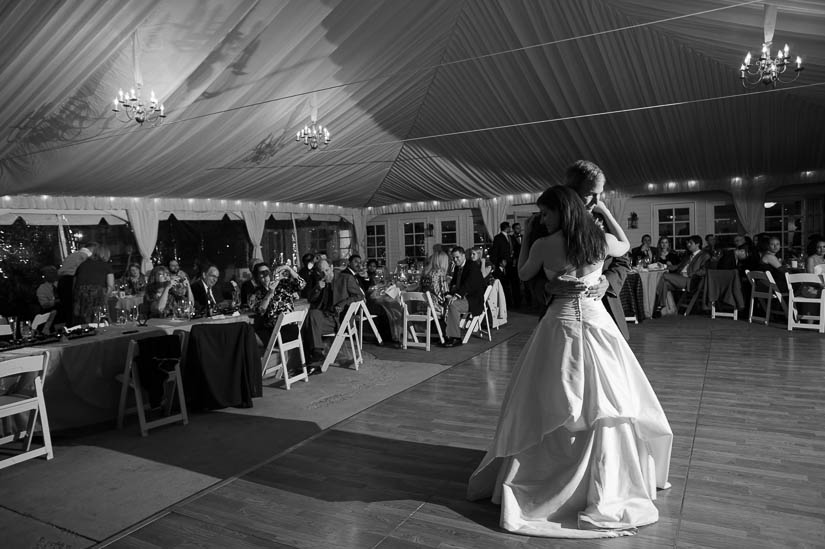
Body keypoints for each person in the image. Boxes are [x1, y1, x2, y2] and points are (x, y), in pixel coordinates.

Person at [467, 185, 672, 538]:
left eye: (546, 213)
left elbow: (523, 274)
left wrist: (530, 237)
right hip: (597, 324)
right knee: (606, 400)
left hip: (559, 326)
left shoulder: (544, 245)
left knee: (548, 397)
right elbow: (624, 245)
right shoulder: (599, 242)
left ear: (561, 212)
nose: (542, 219)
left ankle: (545, 477)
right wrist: (606, 213)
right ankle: (609, 479)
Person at [545, 160, 631, 340]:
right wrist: (548, 287)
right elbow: (529, 270)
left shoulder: (604, 218)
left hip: (604, 312)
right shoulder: (548, 220)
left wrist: (608, 281)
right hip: (560, 320)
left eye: (600, 194)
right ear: (571, 192)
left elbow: (623, 260)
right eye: (590, 194)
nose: (597, 201)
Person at [248, 262, 305, 345]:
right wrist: (270, 293)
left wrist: (288, 268)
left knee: (251, 339)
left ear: (271, 273)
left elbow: (302, 284)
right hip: (272, 330)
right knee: (248, 335)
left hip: (287, 329)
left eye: (266, 272)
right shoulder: (257, 292)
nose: (264, 275)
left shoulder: (283, 284)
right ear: (257, 277)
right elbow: (260, 311)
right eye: (261, 273)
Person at [654, 235, 710, 316]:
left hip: (690, 280)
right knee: (664, 283)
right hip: (680, 278)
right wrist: (664, 266)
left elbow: (704, 271)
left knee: (664, 275)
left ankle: (658, 306)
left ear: (697, 244)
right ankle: (661, 307)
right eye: (688, 243)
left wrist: (690, 274)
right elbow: (677, 267)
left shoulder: (704, 255)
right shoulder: (688, 256)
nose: (688, 245)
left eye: (691, 243)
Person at [442, 246, 484, 347]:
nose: (455, 260)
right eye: (454, 258)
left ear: (463, 255)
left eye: (457, 257)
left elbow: (468, 284)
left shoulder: (472, 266)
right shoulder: (457, 267)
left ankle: (455, 338)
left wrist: (456, 296)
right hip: (463, 297)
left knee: (453, 305)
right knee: (442, 303)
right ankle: (444, 335)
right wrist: (449, 293)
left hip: (473, 300)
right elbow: (454, 284)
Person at [56, 241, 97, 325]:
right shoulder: (85, 256)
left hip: (62, 281)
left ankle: (69, 327)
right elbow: (84, 271)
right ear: (93, 249)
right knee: (75, 307)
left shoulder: (72, 255)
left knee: (67, 308)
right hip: (72, 281)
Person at [73, 245, 114, 324]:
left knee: (83, 322)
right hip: (98, 294)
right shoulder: (106, 266)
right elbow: (110, 286)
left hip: (81, 296)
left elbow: (75, 285)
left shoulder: (82, 265)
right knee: (101, 320)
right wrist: (105, 299)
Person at [305, 259, 336, 367]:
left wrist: (343, 305)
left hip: (336, 319)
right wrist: (317, 288)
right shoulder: (320, 282)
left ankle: (313, 357)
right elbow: (310, 298)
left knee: (311, 319)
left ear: (331, 268)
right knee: (307, 321)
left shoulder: (340, 280)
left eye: (327, 270)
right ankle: (313, 356)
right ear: (318, 273)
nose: (325, 274)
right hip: (322, 319)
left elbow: (359, 296)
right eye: (322, 272)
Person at [489, 221, 514, 306]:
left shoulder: (510, 237)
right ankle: (505, 303)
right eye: (509, 227)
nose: (510, 229)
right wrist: (499, 262)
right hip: (502, 264)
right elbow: (495, 251)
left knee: (512, 282)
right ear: (506, 228)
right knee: (504, 284)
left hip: (511, 263)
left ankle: (512, 302)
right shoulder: (498, 237)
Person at [419, 251, 451, 316]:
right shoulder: (440, 274)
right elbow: (444, 294)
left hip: (422, 306)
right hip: (435, 308)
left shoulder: (425, 273)